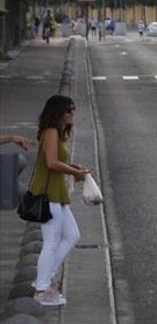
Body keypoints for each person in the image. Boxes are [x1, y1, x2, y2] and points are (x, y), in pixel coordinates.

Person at [30, 95, 90, 307]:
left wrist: (75, 167)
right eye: (68, 111)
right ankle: (41, 289)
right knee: (51, 242)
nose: (72, 114)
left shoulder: (59, 133)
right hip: (48, 194)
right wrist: (74, 171)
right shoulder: (51, 132)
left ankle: (43, 277)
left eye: (73, 110)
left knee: (72, 235)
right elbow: (52, 163)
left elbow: (58, 161)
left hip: (57, 193)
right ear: (58, 113)